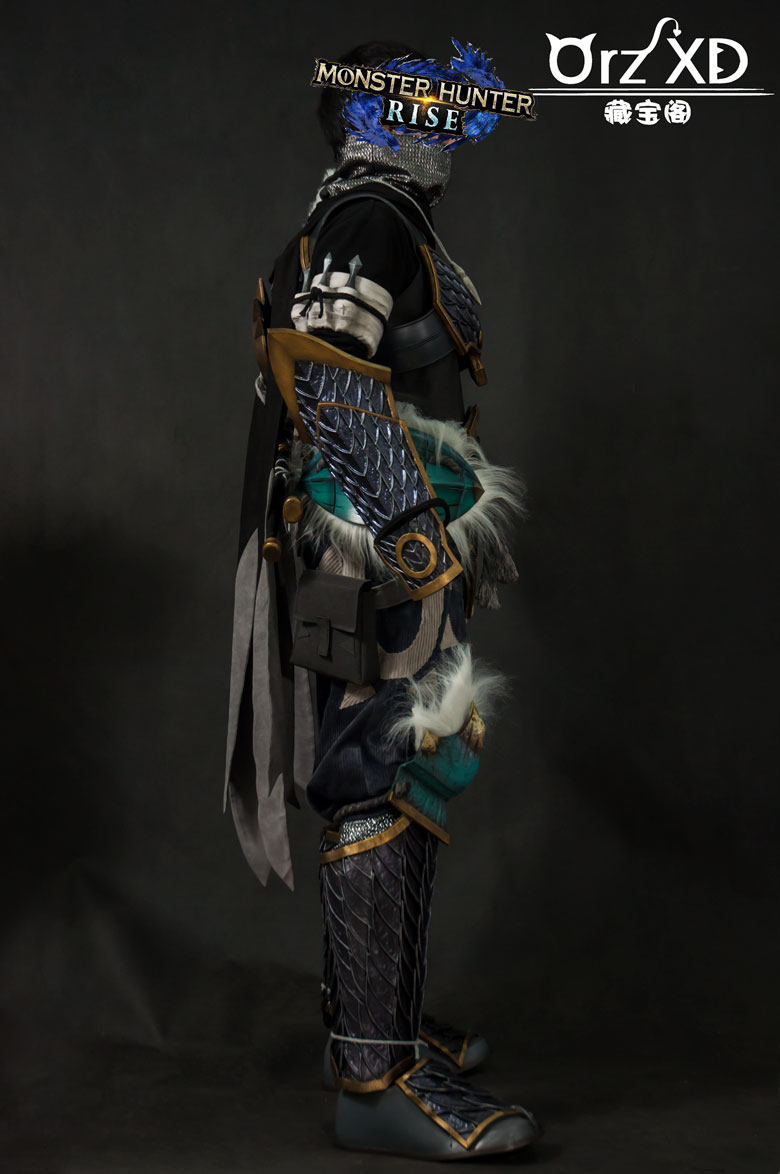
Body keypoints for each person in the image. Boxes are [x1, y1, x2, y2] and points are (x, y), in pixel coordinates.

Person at [224, 40, 542, 1159]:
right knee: (384, 768)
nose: (447, 123)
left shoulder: (353, 213)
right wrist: (412, 535)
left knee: (399, 763)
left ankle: (372, 1028)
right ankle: (374, 1077)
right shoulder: (371, 212)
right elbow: (323, 370)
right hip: (374, 548)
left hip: (365, 538)